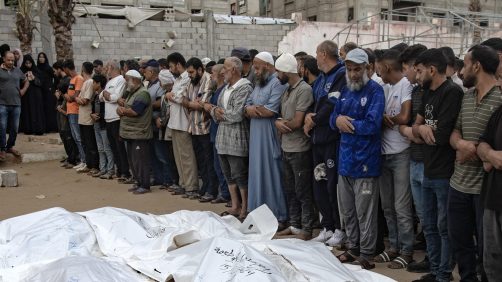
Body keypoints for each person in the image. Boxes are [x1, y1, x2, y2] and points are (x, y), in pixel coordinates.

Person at [449, 44, 502, 282]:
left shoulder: (500, 99)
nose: (461, 71)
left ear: (477, 66)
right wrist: (464, 146)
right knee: (461, 245)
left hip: (485, 189)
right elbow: (454, 133)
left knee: (487, 252)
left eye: (465, 64)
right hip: (458, 184)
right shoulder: (467, 96)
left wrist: (480, 150)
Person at [411, 48, 464, 282]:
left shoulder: (451, 92)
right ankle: (434, 269)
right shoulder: (426, 92)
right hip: (428, 168)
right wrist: (422, 129)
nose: (417, 76)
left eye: (420, 71)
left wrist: (422, 129)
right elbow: (416, 126)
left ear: (432, 70)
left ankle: (444, 274)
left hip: (444, 172)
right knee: (429, 225)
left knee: (444, 228)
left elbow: (441, 136)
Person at [330, 48, 385, 269]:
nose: (353, 74)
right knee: (348, 211)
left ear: (367, 69)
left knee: (366, 213)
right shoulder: (345, 90)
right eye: (349, 69)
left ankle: (367, 252)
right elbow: (334, 117)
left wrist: (347, 124)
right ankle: (353, 247)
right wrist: (338, 121)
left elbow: (373, 124)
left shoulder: (375, 92)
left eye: (357, 69)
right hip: (345, 161)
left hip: (365, 162)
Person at [374, 49, 415, 269]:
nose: (378, 73)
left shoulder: (405, 85)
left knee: (401, 206)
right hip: (383, 153)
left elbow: (404, 117)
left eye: (379, 69)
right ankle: (393, 247)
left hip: (401, 153)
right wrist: (386, 119)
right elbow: (380, 117)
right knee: (388, 206)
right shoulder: (383, 88)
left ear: (387, 67)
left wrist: (386, 118)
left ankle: (407, 250)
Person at [307, 40, 347, 245]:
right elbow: (315, 104)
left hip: (332, 138)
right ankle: (327, 226)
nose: (315, 57)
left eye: (316, 53)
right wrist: (309, 117)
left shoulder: (341, 75)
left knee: (333, 185)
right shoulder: (321, 78)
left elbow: (332, 105)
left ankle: (340, 228)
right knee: (319, 182)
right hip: (317, 139)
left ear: (323, 54)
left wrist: (313, 119)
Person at [274, 53, 315, 240]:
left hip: (299, 148)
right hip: (287, 146)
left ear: (285, 71)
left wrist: (283, 124)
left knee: (302, 191)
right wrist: (278, 123)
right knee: (290, 190)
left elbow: (298, 121)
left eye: (278, 71)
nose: (276, 75)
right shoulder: (288, 89)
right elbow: (285, 117)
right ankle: (294, 225)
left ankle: (306, 229)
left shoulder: (303, 90)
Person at [399, 43, 431, 274]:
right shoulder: (416, 91)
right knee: (424, 215)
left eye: (408, 69)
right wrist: (410, 130)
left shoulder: (435, 92)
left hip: (430, 163)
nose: (407, 74)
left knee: (433, 218)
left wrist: (407, 130)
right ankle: (433, 260)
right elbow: (413, 128)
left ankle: (438, 262)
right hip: (415, 159)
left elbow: (424, 132)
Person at [245, 51, 288, 223]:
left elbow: (270, 110)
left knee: (271, 172)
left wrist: (253, 110)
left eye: (257, 66)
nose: (254, 70)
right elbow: (247, 105)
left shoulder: (277, 83)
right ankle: (257, 212)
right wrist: (254, 109)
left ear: (268, 66)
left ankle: (277, 214)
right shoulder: (258, 83)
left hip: (269, 134)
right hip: (256, 134)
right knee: (256, 172)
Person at [208, 57, 253, 219]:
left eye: (225, 68)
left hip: (236, 137)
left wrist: (219, 113)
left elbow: (236, 114)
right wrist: (215, 112)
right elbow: (215, 109)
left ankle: (245, 207)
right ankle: (235, 205)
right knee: (228, 173)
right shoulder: (226, 87)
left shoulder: (244, 87)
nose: (222, 71)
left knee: (239, 173)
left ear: (234, 69)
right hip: (222, 136)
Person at [182, 57, 218, 201]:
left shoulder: (208, 80)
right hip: (193, 127)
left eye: (191, 72)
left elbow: (203, 104)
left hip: (205, 128)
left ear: (199, 69)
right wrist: (192, 103)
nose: (189, 75)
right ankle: (205, 188)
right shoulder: (191, 82)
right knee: (200, 161)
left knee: (209, 161)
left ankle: (211, 190)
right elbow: (182, 99)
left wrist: (192, 103)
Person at [165, 52, 199, 196]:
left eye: (172, 66)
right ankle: (183, 183)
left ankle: (191, 186)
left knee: (187, 157)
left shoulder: (187, 78)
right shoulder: (178, 80)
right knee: (178, 157)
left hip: (184, 122)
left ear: (178, 64)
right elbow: (171, 96)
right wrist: (170, 96)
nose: (171, 70)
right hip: (175, 122)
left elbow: (179, 98)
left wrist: (169, 96)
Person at [477, 106, 502, 282]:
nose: (499, 82)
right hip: (492, 199)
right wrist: (491, 154)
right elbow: (482, 144)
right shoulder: (499, 112)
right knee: (491, 265)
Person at [118, 70, 153, 194]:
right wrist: (121, 109)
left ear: (135, 80)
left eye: (128, 80)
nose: (126, 82)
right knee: (133, 161)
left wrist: (122, 110)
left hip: (140, 133)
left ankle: (145, 185)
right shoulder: (131, 93)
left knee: (140, 161)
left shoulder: (143, 93)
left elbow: (135, 111)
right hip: (131, 133)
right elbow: (124, 107)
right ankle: (138, 182)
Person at [203, 64, 231, 204]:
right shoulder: (215, 90)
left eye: (213, 72)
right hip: (214, 131)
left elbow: (221, 111)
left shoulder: (223, 91)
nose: (211, 75)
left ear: (221, 74)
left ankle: (226, 194)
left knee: (222, 167)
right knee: (217, 165)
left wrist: (209, 107)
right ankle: (223, 192)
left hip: (221, 132)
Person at [144, 59, 172, 189]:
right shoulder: (148, 85)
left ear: (151, 72)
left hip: (158, 123)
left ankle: (167, 179)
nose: (144, 73)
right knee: (152, 154)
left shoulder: (159, 86)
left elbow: (160, 102)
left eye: (146, 71)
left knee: (161, 154)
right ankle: (158, 178)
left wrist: (146, 104)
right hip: (150, 123)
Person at [101, 60, 130, 182]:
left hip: (117, 118)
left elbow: (116, 97)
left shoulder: (120, 80)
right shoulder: (108, 82)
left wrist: (108, 96)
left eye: (107, 67)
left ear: (112, 67)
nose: (106, 70)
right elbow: (101, 97)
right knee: (113, 146)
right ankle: (119, 170)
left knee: (120, 147)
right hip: (108, 118)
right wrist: (108, 96)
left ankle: (125, 172)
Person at [0, 51, 29, 160]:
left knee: (15, 128)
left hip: (16, 104)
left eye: (13, 60)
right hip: (2, 104)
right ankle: (2, 149)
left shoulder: (17, 70)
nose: (11, 62)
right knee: (2, 127)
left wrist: (23, 90)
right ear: (4, 59)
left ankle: (10, 146)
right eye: (9, 60)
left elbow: (26, 81)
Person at [156, 69, 180, 190]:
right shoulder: (165, 93)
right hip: (164, 128)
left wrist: (162, 120)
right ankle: (170, 180)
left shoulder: (173, 92)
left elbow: (171, 111)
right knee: (167, 156)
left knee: (172, 157)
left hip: (171, 128)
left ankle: (175, 181)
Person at [53, 61, 78, 168]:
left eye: (55, 70)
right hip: (61, 109)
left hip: (66, 110)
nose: (54, 72)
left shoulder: (68, 80)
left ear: (59, 69)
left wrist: (61, 95)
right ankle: (70, 157)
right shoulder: (62, 80)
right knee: (63, 134)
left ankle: (74, 158)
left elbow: (69, 96)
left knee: (68, 135)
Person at [76, 62, 99, 174]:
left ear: (83, 69)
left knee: (91, 144)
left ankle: (94, 165)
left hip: (88, 118)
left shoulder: (89, 82)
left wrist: (77, 99)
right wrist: (78, 99)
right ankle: (89, 164)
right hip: (82, 118)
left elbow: (85, 100)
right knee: (85, 142)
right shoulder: (85, 82)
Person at [62, 59, 86, 169]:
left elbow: (75, 95)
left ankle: (84, 160)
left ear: (67, 68)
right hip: (70, 111)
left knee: (79, 137)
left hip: (76, 111)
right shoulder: (72, 79)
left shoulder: (79, 78)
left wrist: (67, 97)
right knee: (75, 137)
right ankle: (81, 159)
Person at [91, 74, 115, 179]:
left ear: (99, 83)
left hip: (103, 125)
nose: (92, 85)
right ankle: (103, 169)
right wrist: (92, 114)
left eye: (94, 83)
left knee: (107, 148)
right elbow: (93, 109)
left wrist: (99, 116)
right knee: (100, 148)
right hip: (96, 125)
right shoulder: (96, 95)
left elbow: (106, 110)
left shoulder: (104, 95)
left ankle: (110, 170)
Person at [20, 54, 46, 135]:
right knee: (28, 110)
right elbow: (19, 83)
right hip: (26, 95)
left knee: (37, 110)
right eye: (26, 63)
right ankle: (29, 129)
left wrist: (33, 78)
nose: (28, 65)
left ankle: (38, 129)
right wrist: (24, 78)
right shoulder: (21, 71)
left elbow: (41, 83)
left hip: (36, 94)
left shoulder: (36, 70)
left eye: (29, 63)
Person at [37, 52, 58, 133]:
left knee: (50, 109)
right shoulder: (37, 68)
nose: (41, 58)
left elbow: (56, 77)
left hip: (49, 92)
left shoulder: (48, 68)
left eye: (43, 57)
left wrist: (53, 87)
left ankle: (52, 127)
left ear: (45, 58)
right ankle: (44, 127)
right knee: (43, 109)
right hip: (40, 91)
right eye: (40, 57)